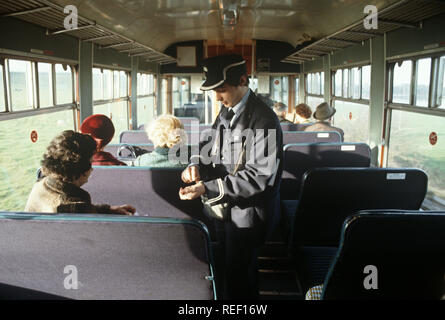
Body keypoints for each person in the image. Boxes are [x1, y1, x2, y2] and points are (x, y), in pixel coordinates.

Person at [178, 54, 283, 299]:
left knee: (241, 277)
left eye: (222, 90)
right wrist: (195, 165)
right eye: (214, 91)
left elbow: (261, 178)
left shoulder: (264, 120)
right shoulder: (228, 111)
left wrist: (208, 188)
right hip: (226, 210)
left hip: (248, 215)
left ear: (243, 81)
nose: (217, 97)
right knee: (227, 270)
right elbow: (209, 144)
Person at [25, 130, 135, 215]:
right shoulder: (75, 207)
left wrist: (108, 209)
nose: (91, 169)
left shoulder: (41, 184)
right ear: (79, 170)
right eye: (90, 163)